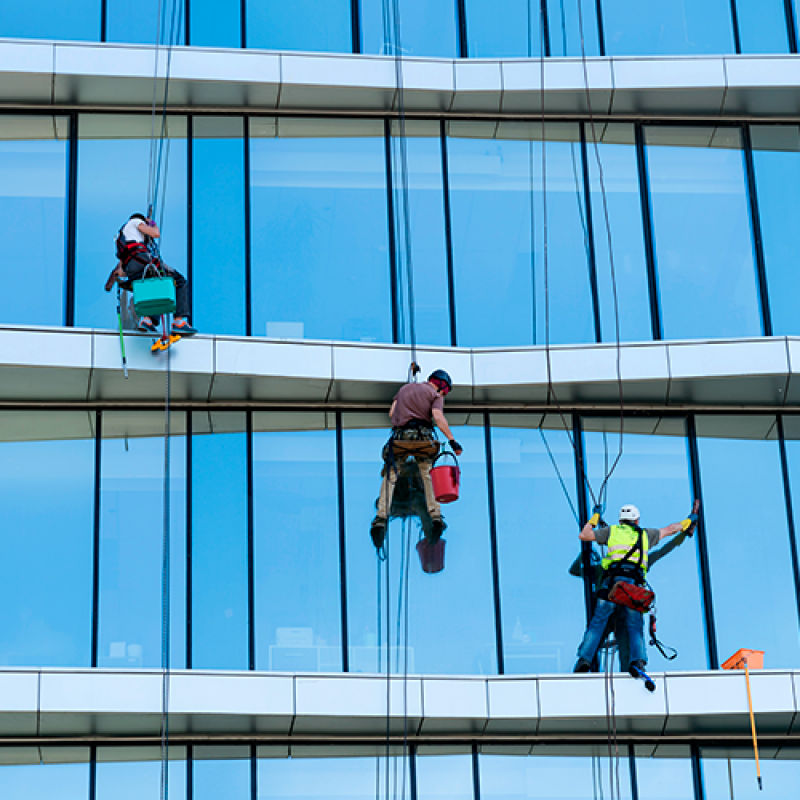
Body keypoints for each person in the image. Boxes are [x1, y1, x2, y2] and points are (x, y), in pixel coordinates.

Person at [573, 503, 695, 677]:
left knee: (598, 623)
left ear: (621, 520)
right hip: (632, 587)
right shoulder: (646, 535)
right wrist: (689, 521)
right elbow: (670, 529)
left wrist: (595, 517)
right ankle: (637, 662)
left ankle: (584, 659)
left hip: (611, 585)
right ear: (637, 520)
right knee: (634, 626)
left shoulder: (612, 531)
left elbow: (584, 535)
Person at [370, 370, 463, 549]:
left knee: (390, 476)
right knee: (428, 475)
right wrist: (453, 441)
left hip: (400, 438)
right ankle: (435, 516)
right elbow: (437, 417)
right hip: (423, 438)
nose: (444, 395)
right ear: (442, 385)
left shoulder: (404, 389)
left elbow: (392, 413)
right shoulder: (435, 394)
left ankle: (380, 518)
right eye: (445, 391)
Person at [106, 213, 197, 336]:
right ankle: (178, 322)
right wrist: (152, 224)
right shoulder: (135, 222)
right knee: (179, 280)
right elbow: (156, 233)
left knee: (155, 286)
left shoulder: (122, 239)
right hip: (143, 263)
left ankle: (148, 320)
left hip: (133, 271)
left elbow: (121, 271)